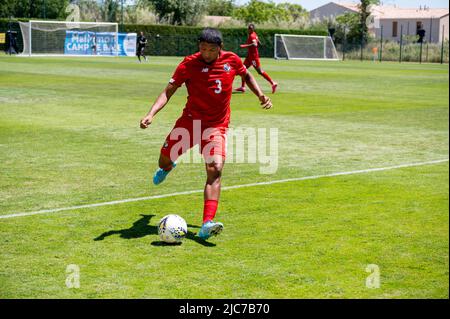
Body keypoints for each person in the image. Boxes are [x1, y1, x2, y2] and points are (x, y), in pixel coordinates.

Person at [140, 28, 272, 241]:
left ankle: (206, 224)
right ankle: (167, 166)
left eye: (211, 49)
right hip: (189, 124)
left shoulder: (232, 60)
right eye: (203, 49)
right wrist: (151, 114)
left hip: (216, 126)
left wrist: (261, 95)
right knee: (164, 159)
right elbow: (168, 91)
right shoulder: (188, 64)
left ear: (220, 48)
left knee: (215, 169)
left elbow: (246, 75)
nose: (207, 53)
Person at [235, 24, 278, 94]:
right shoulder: (254, 34)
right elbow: (257, 42)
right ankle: (242, 87)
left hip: (253, 58)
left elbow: (255, 44)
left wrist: (245, 46)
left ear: (253, 29)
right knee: (242, 69)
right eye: (248, 28)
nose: (249, 30)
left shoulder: (252, 35)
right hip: (249, 57)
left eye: (250, 29)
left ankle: (273, 83)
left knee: (260, 71)